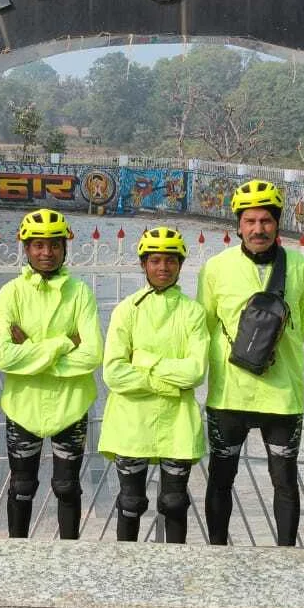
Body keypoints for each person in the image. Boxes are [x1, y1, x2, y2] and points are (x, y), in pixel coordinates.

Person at [197, 180, 304, 546]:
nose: (258, 229)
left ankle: (286, 557)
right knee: (221, 478)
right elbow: (205, 325)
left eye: (266, 220)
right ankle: (217, 553)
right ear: (238, 225)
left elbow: (300, 325)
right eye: (249, 221)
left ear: (277, 223)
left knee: (285, 481)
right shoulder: (216, 268)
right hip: (229, 394)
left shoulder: (300, 267)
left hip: (282, 396)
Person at [0, 209, 102, 539]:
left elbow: (92, 355)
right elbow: (5, 357)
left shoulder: (80, 292)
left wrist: (31, 350)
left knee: (67, 486)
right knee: (21, 486)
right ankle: (17, 554)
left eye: (54, 245)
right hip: (23, 406)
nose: (46, 252)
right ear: (26, 248)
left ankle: (68, 554)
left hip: (70, 405)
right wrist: (64, 344)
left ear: (64, 248)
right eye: (38, 245)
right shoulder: (11, 292)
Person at [99, 227, 209, 543]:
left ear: (180, 264)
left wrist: (144, 360)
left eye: (171, 261)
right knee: (130, 503)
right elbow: (114, 373)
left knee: (174, 503)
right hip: (131, 422)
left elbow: (195, 372)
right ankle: (126, 564)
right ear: (143, 264)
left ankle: (174, 565)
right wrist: (170, 383)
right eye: (155, 261)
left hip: (177, 423)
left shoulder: (192, 312)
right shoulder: (126, 310)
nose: (163, 268)